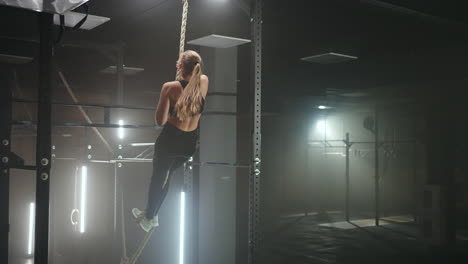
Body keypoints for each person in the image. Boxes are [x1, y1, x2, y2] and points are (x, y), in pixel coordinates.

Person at [132, 50, 209, 232]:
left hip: (171, 140)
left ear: (180, 66)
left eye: (178, 61)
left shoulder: (170, 87)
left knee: (159, 177)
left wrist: (173, 108)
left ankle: (150, 217)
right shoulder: (204, 81)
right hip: (190, 144)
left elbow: (160, 121)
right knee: (166, 176)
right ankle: (153, 213)